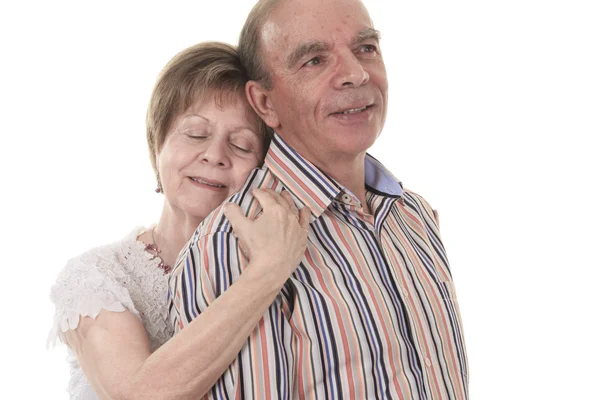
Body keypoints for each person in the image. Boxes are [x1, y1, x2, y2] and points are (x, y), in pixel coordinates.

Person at [168, 0, 469, 399]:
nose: (356, 74)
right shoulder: (233, 242)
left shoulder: (412, 215)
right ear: (265, 103)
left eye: (366, 48)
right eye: (314, 60)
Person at [48, 42, 310, 400]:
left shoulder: (289, 265)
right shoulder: (97, 276)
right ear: (159, 144)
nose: (215, 155)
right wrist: (269, 271)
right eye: (196, 134)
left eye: (242, 145)